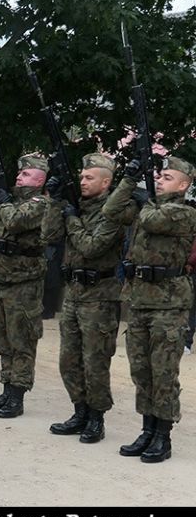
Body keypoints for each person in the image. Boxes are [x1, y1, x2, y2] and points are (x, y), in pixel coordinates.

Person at [102, 155, 196, 463]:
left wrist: (146, 199)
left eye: (168, 178)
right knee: (141, 369)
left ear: (184, 185)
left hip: (169, 302)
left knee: (163, 371)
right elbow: (111, 209)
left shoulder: (183, 212)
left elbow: (153, 220)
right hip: (140, 298)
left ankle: (162, 436)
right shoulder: (149, 206)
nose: (160, 179)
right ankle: (147, 429)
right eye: (160, 175)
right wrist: (129, 180)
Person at [41, 153, 124, 442]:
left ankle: (96, 417)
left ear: (106, 182)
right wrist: (55, 201)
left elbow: (91, 247)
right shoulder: (76, 206)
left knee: (95, 360)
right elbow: (49, 235)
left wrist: (72, 219)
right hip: (74, 293)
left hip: (100, 295)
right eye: (81, 177)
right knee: (69, 359)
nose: (83, 182)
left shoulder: (113, 211)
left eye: (90, 178)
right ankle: (79, 411)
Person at [0, 154, 49, 418]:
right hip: (0, 280)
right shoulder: (8, 199)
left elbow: (16, 221)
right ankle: (6, 389)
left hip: (23, 284)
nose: (20, 177)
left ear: (41, 179)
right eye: (19, 173)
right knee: (3, 340)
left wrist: (3, 201)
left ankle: (17, 395)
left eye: (26, 174)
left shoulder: (41, 203)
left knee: (21, 340)